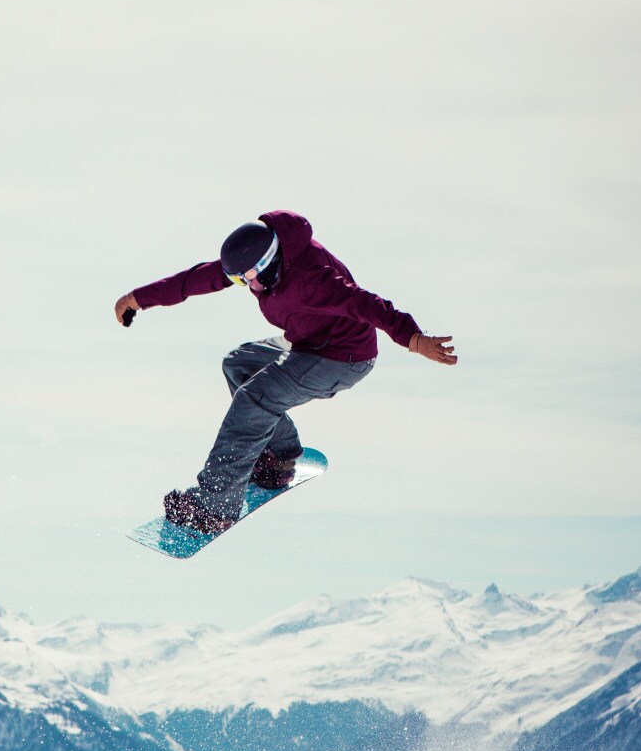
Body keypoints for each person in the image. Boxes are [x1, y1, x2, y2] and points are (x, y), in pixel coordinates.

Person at [113, 210, 456, 534]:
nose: (249, 287)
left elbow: (366, 304)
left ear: (270, 264)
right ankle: (279, 457)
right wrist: (138, 298)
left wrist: (412, 338)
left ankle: (215, 507)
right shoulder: (257, 261)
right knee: (238, 364)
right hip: (307, 344)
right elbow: (196, 279)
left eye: (251, 278)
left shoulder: (312, 279)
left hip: (343, 357)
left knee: (254, 398)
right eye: (239, 279)